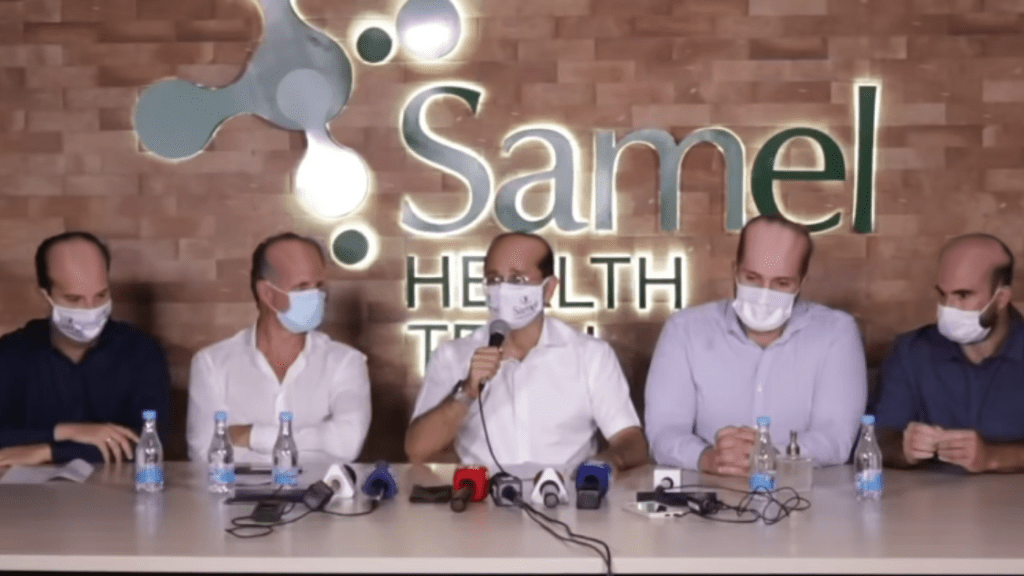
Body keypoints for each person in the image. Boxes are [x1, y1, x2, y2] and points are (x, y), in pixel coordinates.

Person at [405, 232, 648, 473]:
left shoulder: (590, 355)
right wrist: (467, 392)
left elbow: (632, 442)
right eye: (494, 279)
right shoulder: (452, 355)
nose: (503, 289)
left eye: (517, 279)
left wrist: (607, 461)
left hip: (567, 494)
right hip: (480, 495)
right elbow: (417, 450)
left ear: (549, 288)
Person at [645, 215, 867, 476]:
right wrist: (707, 458)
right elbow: (664, 431)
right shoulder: (685, 330)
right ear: (735, 271)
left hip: (803, 494)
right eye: (752, 278)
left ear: (801, 283)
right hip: (707, 492)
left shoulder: (836, 332)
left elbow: (836, 437)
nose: (764, 295)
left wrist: (770, 456)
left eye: (781, 283)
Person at [186, 233, 371, 464]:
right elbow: (205, 453)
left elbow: (347, 443)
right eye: (302, 287)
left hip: (320, 490)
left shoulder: (346, 362)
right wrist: (317, 445)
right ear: (268, 293)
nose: (316, 297)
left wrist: (251, 435)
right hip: (235, 490)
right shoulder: (212, 364)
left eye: (319, 286)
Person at [0, 232, 170, 466]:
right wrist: (66, 431)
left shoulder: (141, 351)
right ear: (45, 295)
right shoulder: (11, 353)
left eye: (101, 295)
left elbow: (149, 442)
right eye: (74, 299)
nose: (90, 309)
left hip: (115, 488)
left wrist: (49, 451)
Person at [873, 234, 1024, 473]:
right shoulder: (911, 351)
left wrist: (992, 457)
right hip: (925, 496)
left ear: (1002, 298)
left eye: (963, 295)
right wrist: (904, 449)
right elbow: (877, 439)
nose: (949, 308)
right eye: (943, 295)